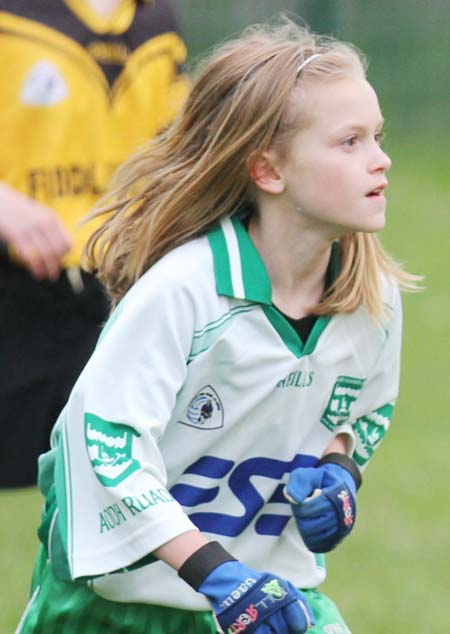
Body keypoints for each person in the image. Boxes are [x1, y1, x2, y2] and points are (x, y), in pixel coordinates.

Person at [17, 17, 419, 634]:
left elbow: (360, 414)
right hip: (118, 613)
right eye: (350, 142)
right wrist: (214, 573)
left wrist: (338, 473)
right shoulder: (182, 293)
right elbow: (104, 447)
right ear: (268, 171)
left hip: (278, 601)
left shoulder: (374, 298)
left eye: (378, 136)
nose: (381, 159)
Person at [0, 0, 189, 487]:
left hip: (116, 291)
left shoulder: (156, 23)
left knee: (116, 485)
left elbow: (179, 152)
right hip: (13, 287)